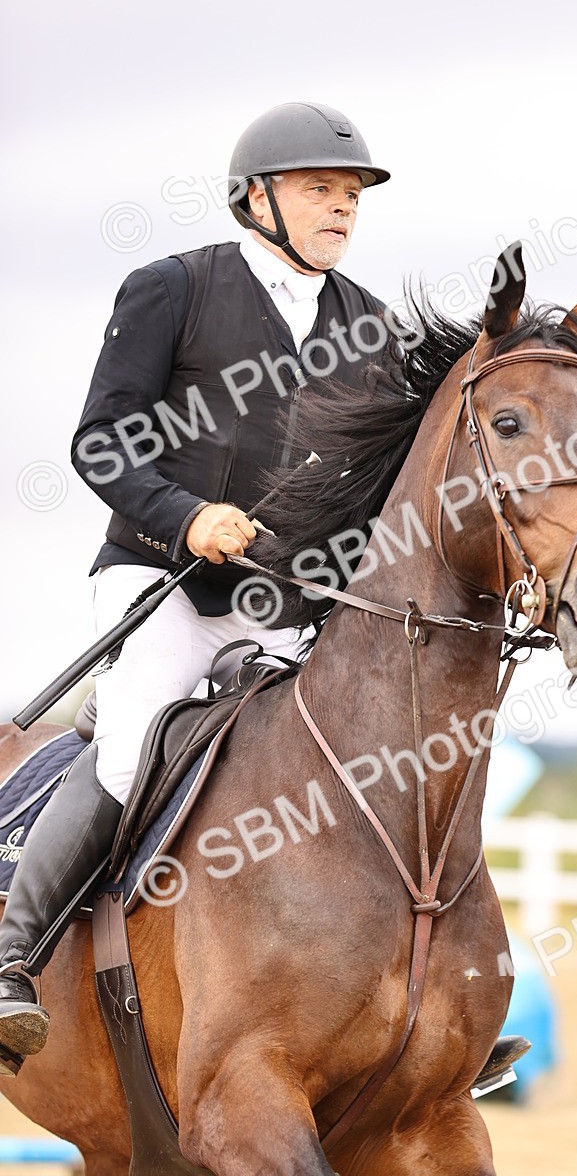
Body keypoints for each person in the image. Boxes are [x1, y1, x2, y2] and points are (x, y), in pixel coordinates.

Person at [0, 102, 394, 1072]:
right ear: (255, 198)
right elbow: (102, 438)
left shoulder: (369, 327)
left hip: (290, 604)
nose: (340, 210)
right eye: (319, 190)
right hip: (162, 576)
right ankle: (10, 954)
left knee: (389, 759)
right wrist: (186, 516)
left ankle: (416, 1007)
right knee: (134, 739)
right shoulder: (174, 287)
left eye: (349, 196)